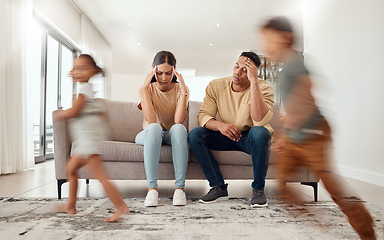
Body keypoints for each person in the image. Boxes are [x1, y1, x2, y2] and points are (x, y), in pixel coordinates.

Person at [260, 17, 376, 239]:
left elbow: (309, 88)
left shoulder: (295, 64)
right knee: (282, 186)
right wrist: (285, 133)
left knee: (335, 190)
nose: (265, 44)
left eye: (268, 38)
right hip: (296, 137)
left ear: (285, 37)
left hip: (314, 135)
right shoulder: (287, 69)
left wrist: (292, 120)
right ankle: (317, 221)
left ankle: (366, 230)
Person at [188, 52, 274, 207]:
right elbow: (203, 116)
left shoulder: (264, 88)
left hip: (250, 137)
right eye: (237, 66)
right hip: (226, 134)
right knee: (195, 135)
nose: (238, 72)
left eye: (245, 70)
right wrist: (221, 126)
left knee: (260, 132)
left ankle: (258, 191)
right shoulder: (216, 85)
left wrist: (254, 82)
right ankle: (218, 187)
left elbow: (259, 120)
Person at [54, 54, 130, 222]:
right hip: (85, 141)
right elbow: (98, 113)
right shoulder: (87, 91)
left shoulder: (84, 90)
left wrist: (61, 114)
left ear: (93, 72)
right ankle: (71, 205)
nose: (78, 72)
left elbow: (75, 112)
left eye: (83, 68)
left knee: (100, 175)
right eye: (76, 68)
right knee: (71, 169)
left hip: (88, 141)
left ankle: (121, 206)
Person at [135, 51, 189, 207]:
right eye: (159, 73)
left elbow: (178, 121)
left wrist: (184, 89)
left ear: (174, 71)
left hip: (171, 135)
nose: (164, 78)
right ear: (153, 70)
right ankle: (152, 189)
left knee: (178, 128)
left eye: (168, 73)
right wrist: (145, 89)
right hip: (149, 134)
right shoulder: (146, 89)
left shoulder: (181, 90)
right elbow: (151, 120)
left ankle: (180, 189)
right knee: (154, 128)